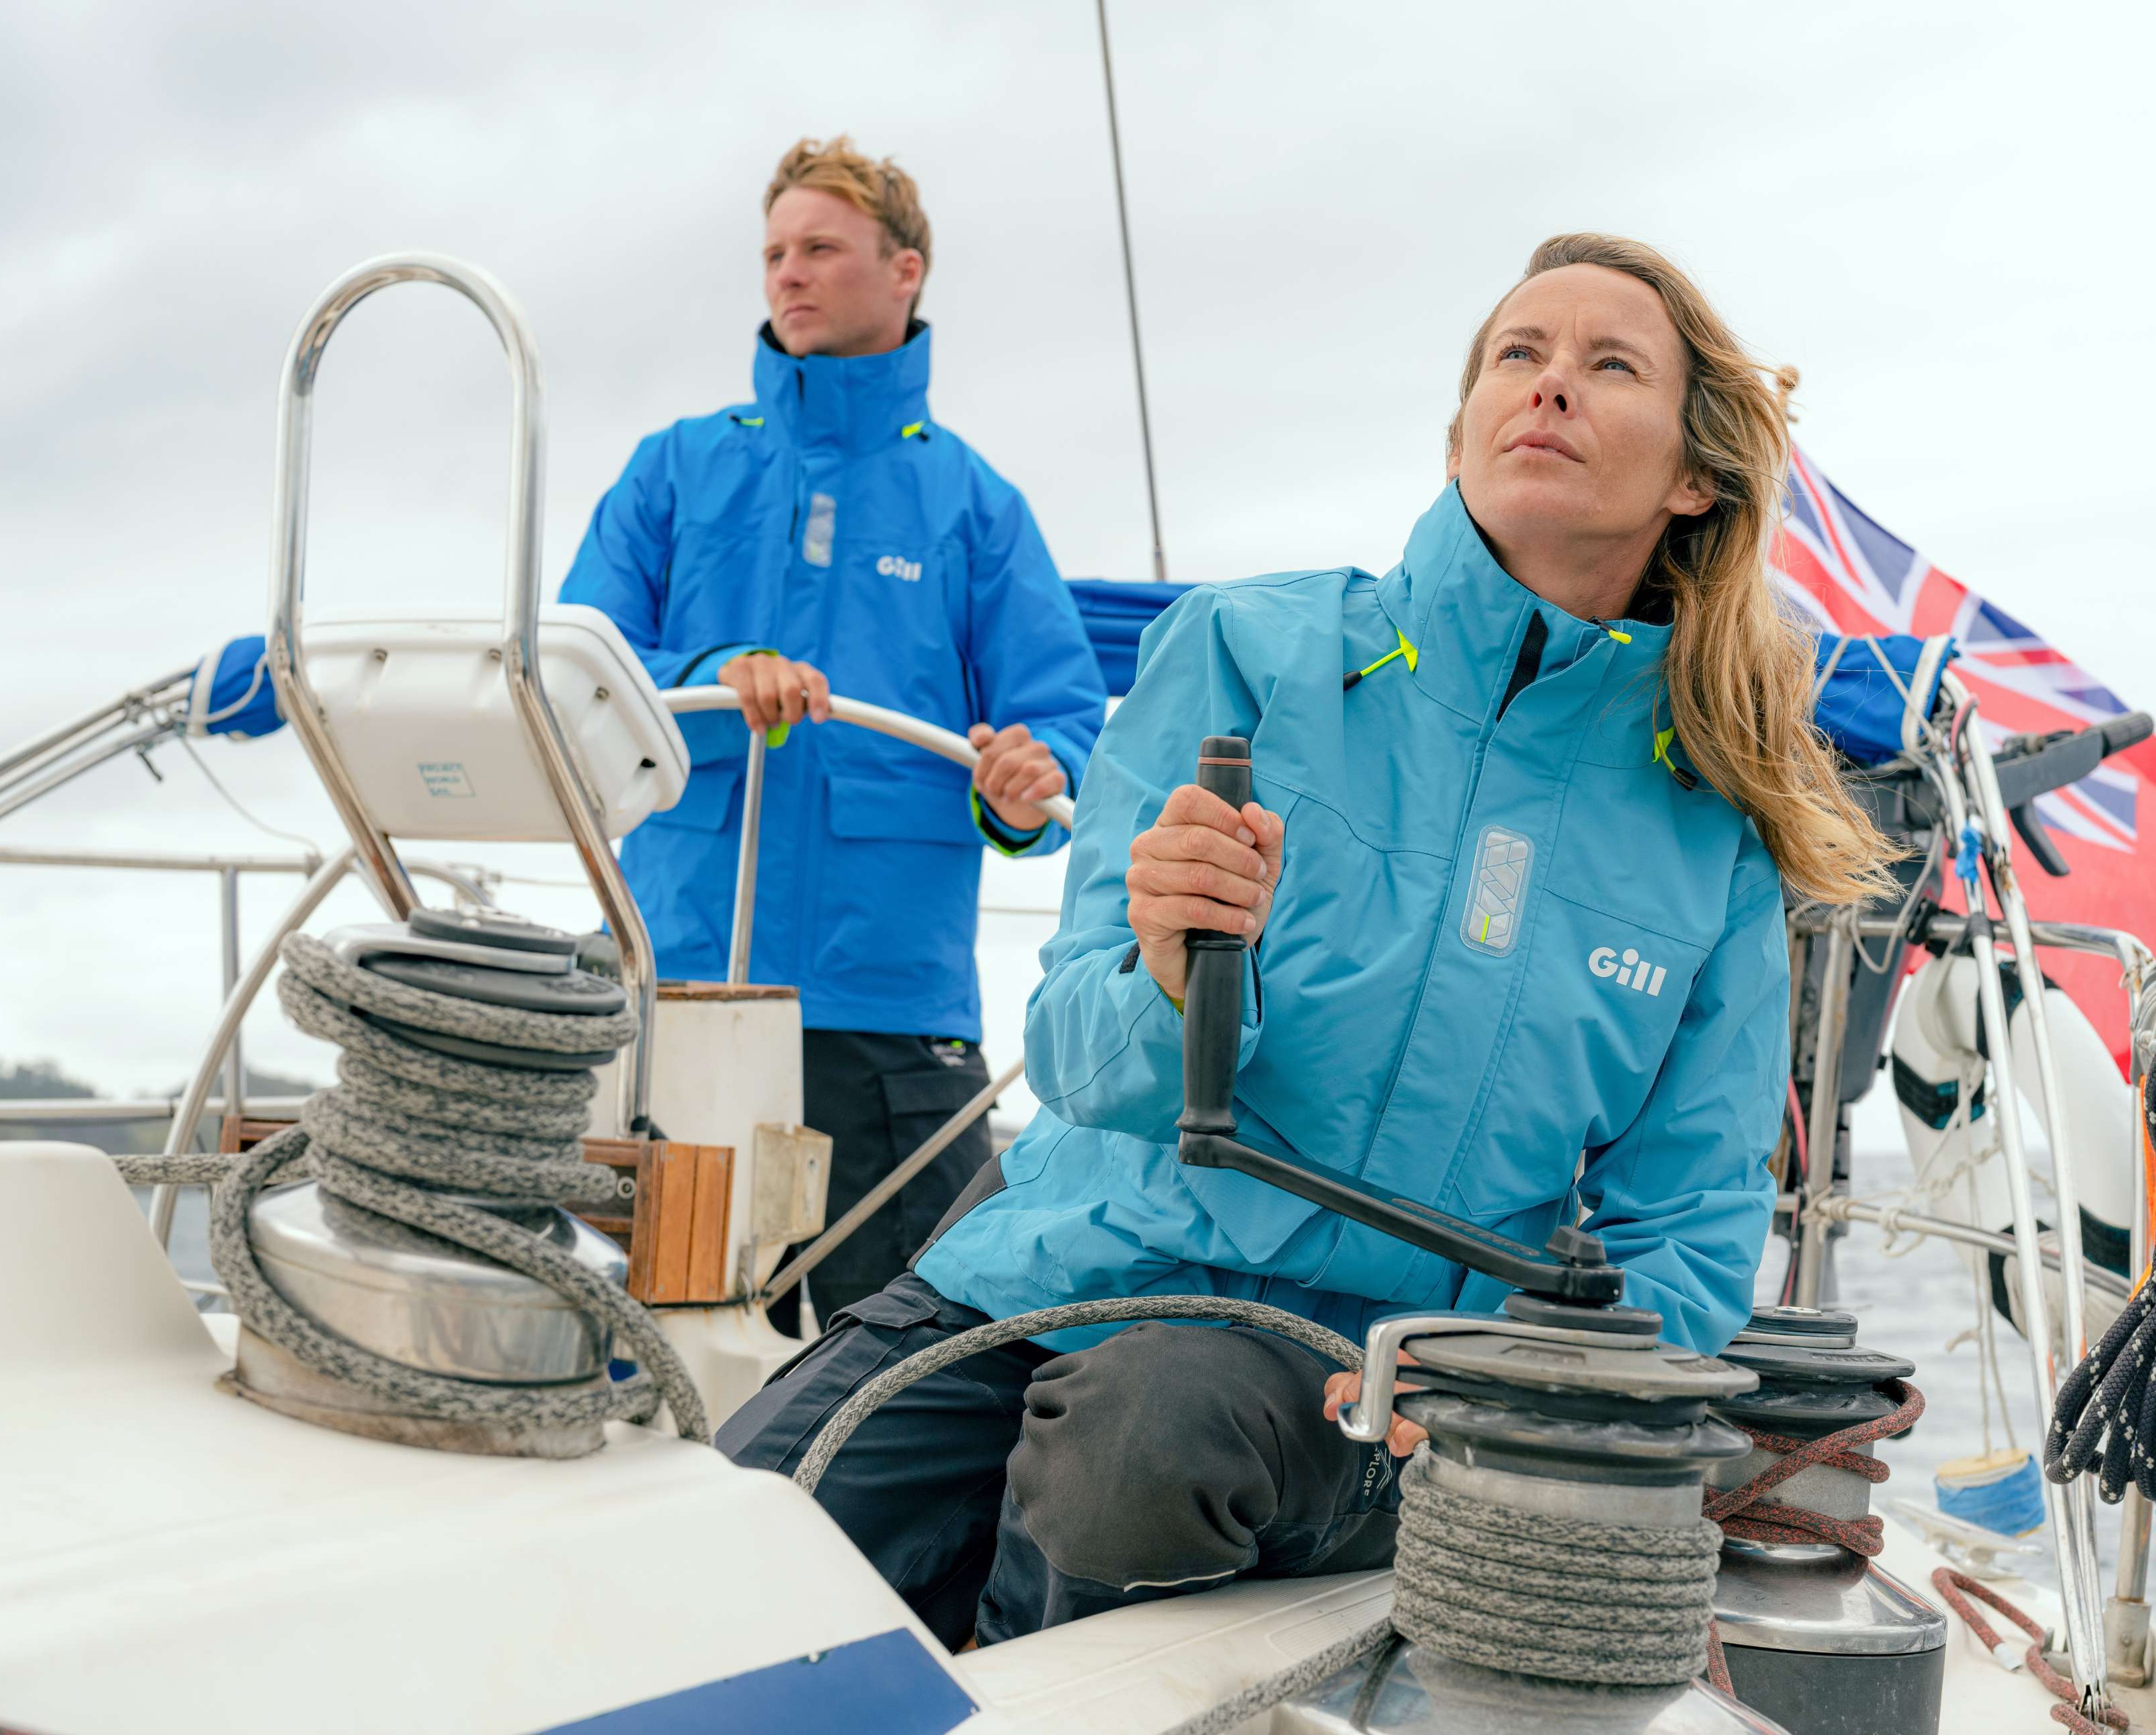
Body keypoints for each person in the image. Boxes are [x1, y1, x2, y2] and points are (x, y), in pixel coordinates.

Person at [719, 234, 1898, 1648]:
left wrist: (1522, 1414)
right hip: (1051, 1274)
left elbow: (1688, 1229)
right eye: (1518, 354)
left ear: (1694, 477)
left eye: (1609, 365)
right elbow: (1074, 1054)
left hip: (1363, 1383)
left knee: (1144, 1435)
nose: (1550, 386)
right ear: (1459, 432)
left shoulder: (1711, 833)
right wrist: (1167, 979)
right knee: (718, 1541)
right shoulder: (1243, 651)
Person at [561, 137, 1107, 1331]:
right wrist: (713, 675)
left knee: (917, 1359)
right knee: (665, 1348)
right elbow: (576, 674)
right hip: (683, 981)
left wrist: (1027, 781)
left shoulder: (975, 505)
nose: (788, 275)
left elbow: (1060, 719)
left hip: (890, 1010)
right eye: (773, 254)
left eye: (819, 248)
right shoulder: (676, 470)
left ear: (905, 270)